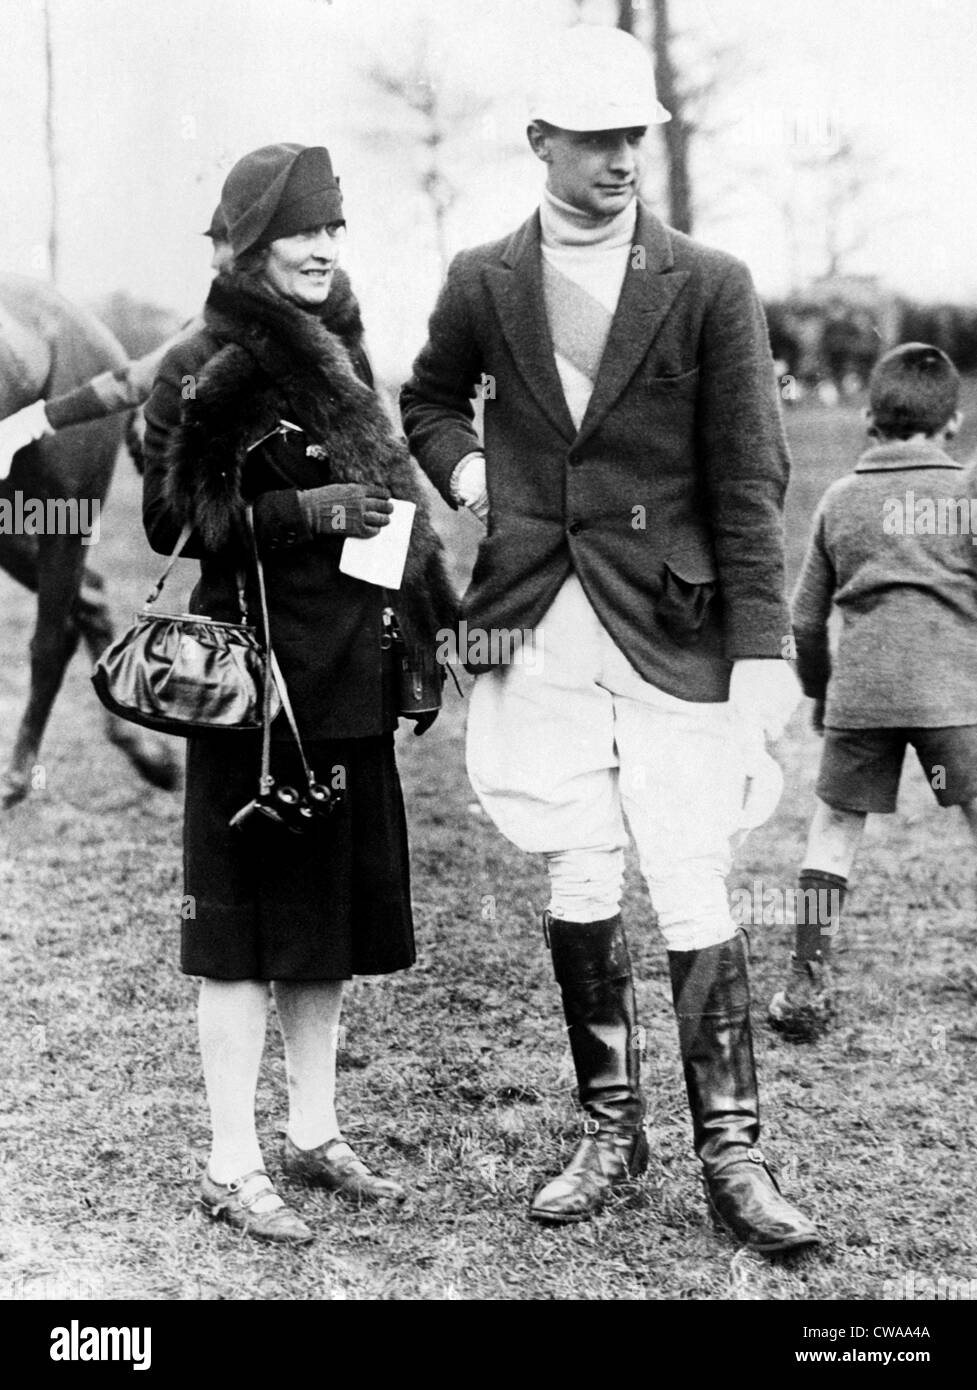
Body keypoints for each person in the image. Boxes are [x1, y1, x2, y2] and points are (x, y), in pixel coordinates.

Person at [400, 25, 818, 1252]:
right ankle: (608, 1127)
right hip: (533, 621)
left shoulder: (710, 282)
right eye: (593, 137)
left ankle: (732, 1156)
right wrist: (474, 475)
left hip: (675, 622)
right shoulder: (484, 279)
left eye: (633, 135)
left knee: (689, 871)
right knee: (579, 868)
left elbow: (749, 478)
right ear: (539, 142)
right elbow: (425, 398)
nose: (620, 158)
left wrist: (761, 645)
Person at [143, 142, 457, 1244]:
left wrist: (419, 641)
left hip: (346, 680)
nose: (324, 248)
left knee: (322, 928)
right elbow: (169, 526)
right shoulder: (203, 361)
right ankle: (231, 1163)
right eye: (301, 230)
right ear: (248, 242)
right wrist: (301, 513)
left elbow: (397, 507)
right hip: (250, 690)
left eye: (332, 227)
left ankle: (315, 1133)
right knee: (234, 940)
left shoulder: (340, 350)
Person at [768, 343, 977, 1041]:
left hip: (863, 695)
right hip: (956, 695)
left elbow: (802, 620)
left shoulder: (839, 499)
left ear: (868, 420)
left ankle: (804, 981)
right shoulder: (965, 496)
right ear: (952, 424)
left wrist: (824, 696)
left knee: (834, 830)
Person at [0, 211, 231, 481]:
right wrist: (30, 423)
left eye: (226, 243)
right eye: (215, 244)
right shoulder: (213, 321)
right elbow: (149, 380)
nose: (214, 261)